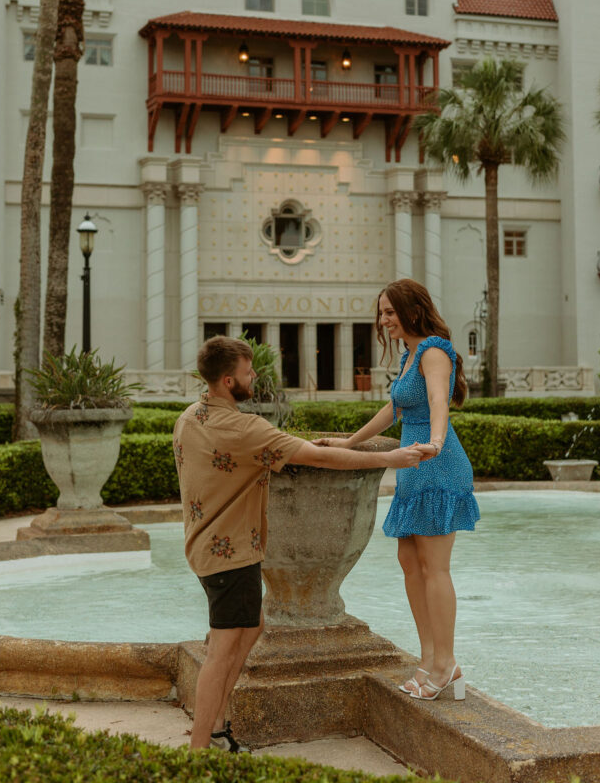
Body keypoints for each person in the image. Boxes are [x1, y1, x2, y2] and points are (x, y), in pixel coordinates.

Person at [173, 334, 438, 751]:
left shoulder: (191, 416)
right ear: (227, 381)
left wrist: (298, 446)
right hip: (232, 553)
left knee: (252, 624)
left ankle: (218, 726)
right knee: (222, 651)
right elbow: (320, 459)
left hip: (204, 546)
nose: (254, 376)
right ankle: (201, 750)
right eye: (247, 372)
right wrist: (389, 458)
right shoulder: (244, 428)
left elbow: (282, 450)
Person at [320, 279, 480, 702]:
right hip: (413, 464)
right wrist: (348, 443)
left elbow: (438, 400)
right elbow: (394, 410)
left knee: (435, 567)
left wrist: (438, 441)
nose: (383, 320)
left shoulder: (432, 350)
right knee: (410, 561)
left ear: (412, 309)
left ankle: (444, 664)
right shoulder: (411, 354)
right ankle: (432, 659)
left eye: (390, 312)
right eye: (381, 312)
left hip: (436, 462)